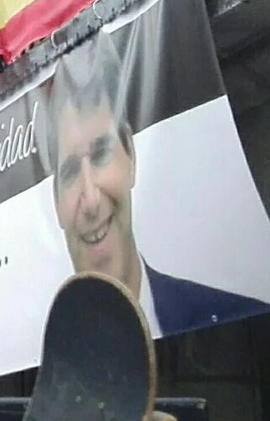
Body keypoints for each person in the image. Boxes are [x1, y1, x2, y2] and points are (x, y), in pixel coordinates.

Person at [46, 30, 268, 335]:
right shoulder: (48, 357)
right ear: (55, 201)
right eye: (70, 172)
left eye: (101, 154)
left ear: (131, 156)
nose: (92, 200)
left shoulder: (236, 320)